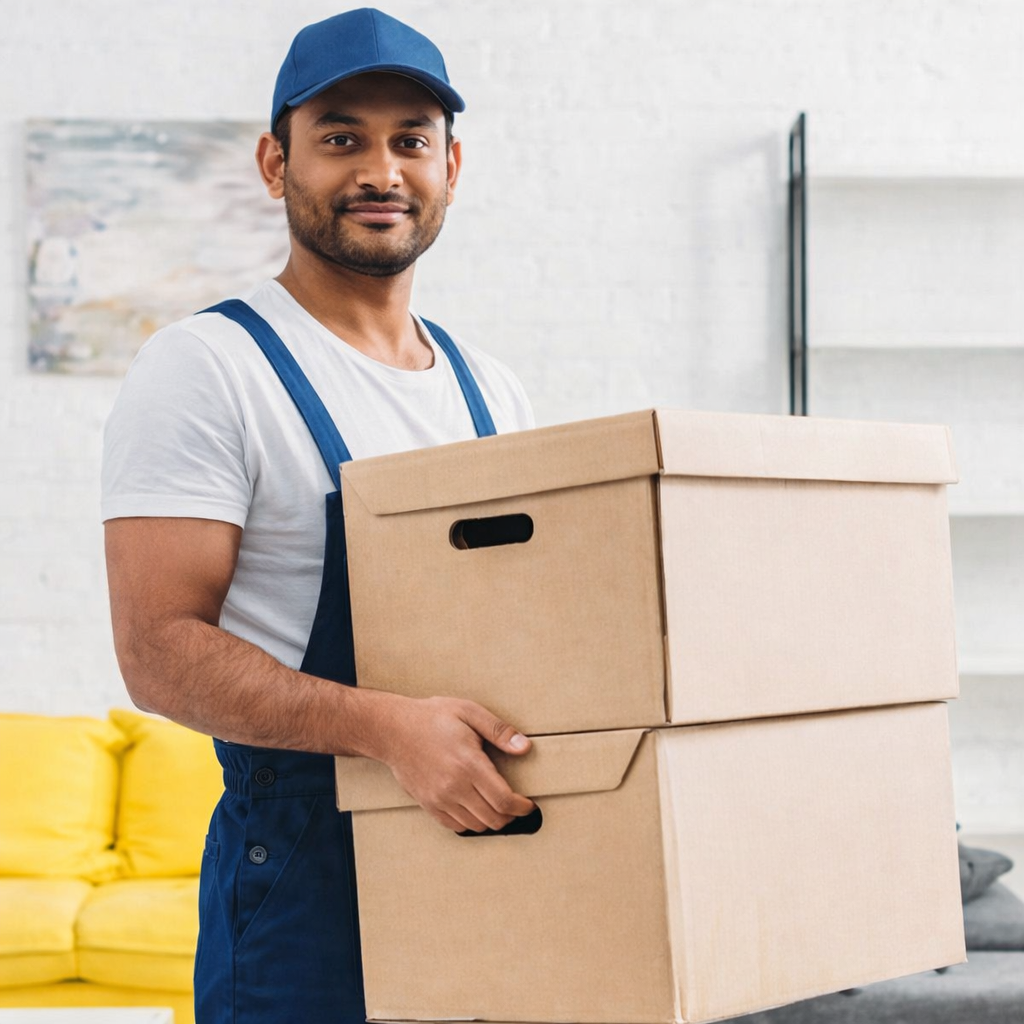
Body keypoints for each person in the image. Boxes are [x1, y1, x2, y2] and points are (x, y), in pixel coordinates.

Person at [101, 8, 537, 1022]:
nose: (379, 170)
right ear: (273, 161)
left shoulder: (493, 391)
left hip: (492, 857)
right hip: (304, 873)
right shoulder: (209, 368)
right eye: (340, 137)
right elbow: (157, 651)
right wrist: (389, 731)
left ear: (452, 166)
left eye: (409, 141)